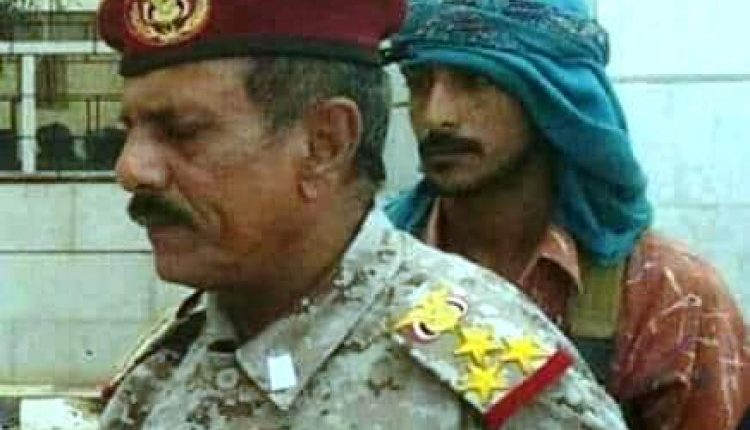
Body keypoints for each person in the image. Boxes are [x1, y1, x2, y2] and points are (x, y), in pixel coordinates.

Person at [95, 0, 628, 428]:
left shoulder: (480, 370)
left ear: (325, 144)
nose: (131, 169)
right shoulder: (159, 376)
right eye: (130, 131)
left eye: (183, 131)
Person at [384, 0, 750, 429]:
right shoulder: (367, 267)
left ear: (555, 96)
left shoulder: (664, 296)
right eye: (419, 83)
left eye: (476, 81)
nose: (436, 116)